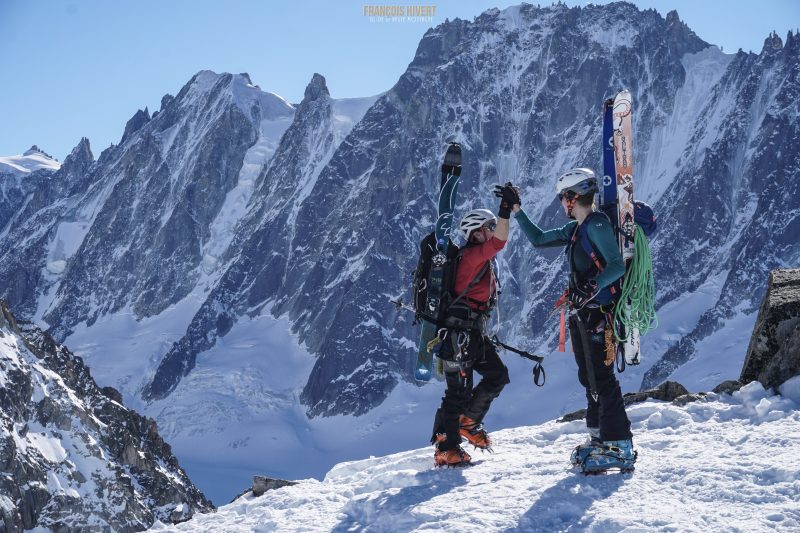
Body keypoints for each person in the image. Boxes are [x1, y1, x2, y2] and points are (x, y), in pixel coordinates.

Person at [510, 168, 637, 472]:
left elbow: (616, 265)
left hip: (599, 315)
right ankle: (599, 437)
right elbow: (540, 239)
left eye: (562, 198)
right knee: (589, 377)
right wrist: (517, 210)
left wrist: (591, 287)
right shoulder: (577, 229)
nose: (561, 204)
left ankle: (621, 445)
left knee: (603, 379)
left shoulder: (597, 225)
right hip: (584, 314)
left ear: (572, 197)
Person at [430, 185, 518, 467]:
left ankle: (468, 421)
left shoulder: (480, 258)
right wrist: (505, 210)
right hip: (459, 335)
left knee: (497, 376)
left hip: (472, 333)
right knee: (457, 392)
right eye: (489, 226)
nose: (493, 229)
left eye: (493, 224)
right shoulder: (472, 256)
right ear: (476, 233)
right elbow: (501, 242)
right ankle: (447, 448)